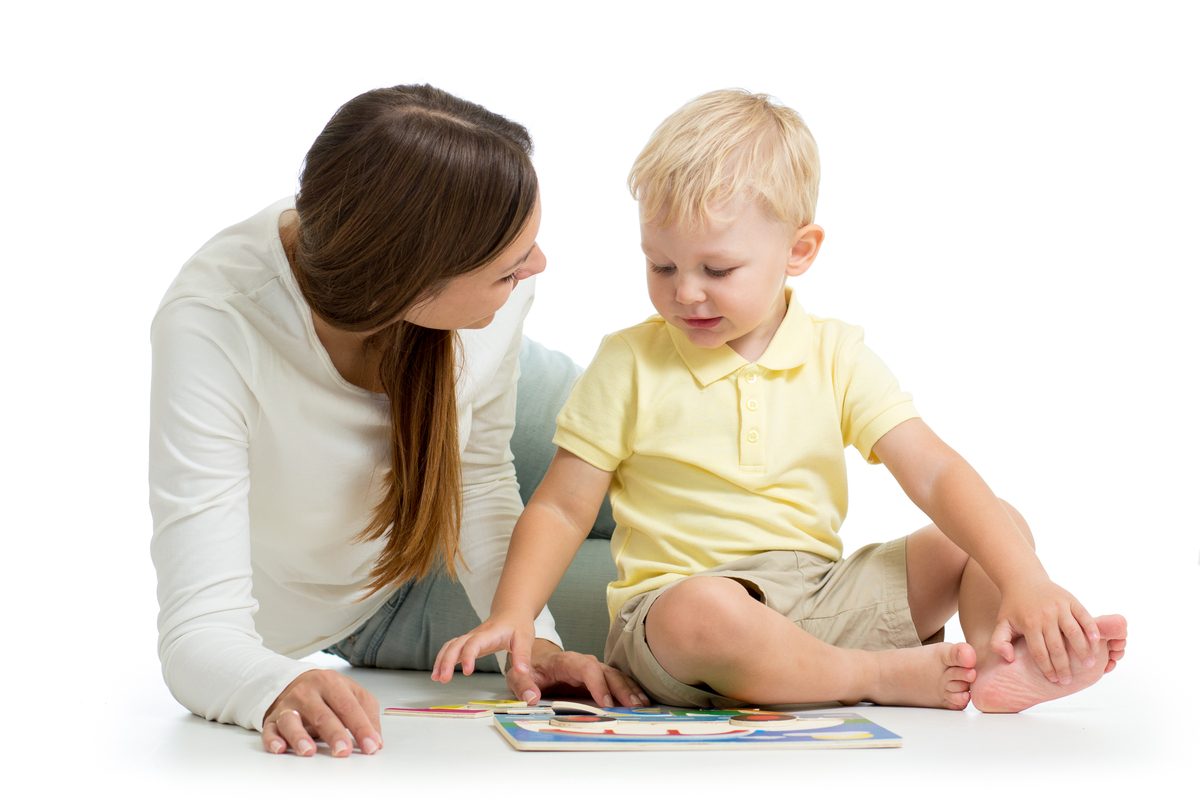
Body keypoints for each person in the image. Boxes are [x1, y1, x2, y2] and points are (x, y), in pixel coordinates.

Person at [433, 89, 1127, 713]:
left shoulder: (835, 354)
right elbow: (560, 505)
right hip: (684, 623)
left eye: (718, 269)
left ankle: (996, 661)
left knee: (990, 526)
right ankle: (875, 676)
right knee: (705, 610)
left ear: (799, 251)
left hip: (821, 598)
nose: (686, 292)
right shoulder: (629, 361)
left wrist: (1026, 582)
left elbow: (936, 473)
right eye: (662, 265)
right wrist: (516, 612)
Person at [149, 84, 640, 759]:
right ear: (410, 287)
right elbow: (198, 632)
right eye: (507, 268)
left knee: (683, 467)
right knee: (682, 611)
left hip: (477, 407)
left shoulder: (483, 290)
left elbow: (478, 475)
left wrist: (531, 629)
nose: (537, 267)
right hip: (377, 594)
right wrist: (271, 684)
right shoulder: (216, 326)